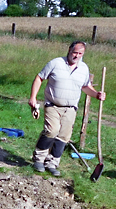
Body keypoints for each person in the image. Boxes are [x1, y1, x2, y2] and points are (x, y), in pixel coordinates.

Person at [28, 41, 106, 177]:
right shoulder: (56, 63)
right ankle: (39, 159)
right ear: (69, 51)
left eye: (80, 53)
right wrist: (33, 98)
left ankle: (52, 163)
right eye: (75, 52)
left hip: (71, 108)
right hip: (52, 104)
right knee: (51, 131)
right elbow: (39, 78)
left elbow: (85, 86)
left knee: (63, 136)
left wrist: (97, 94)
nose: (77, 56)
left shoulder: (83, 69)